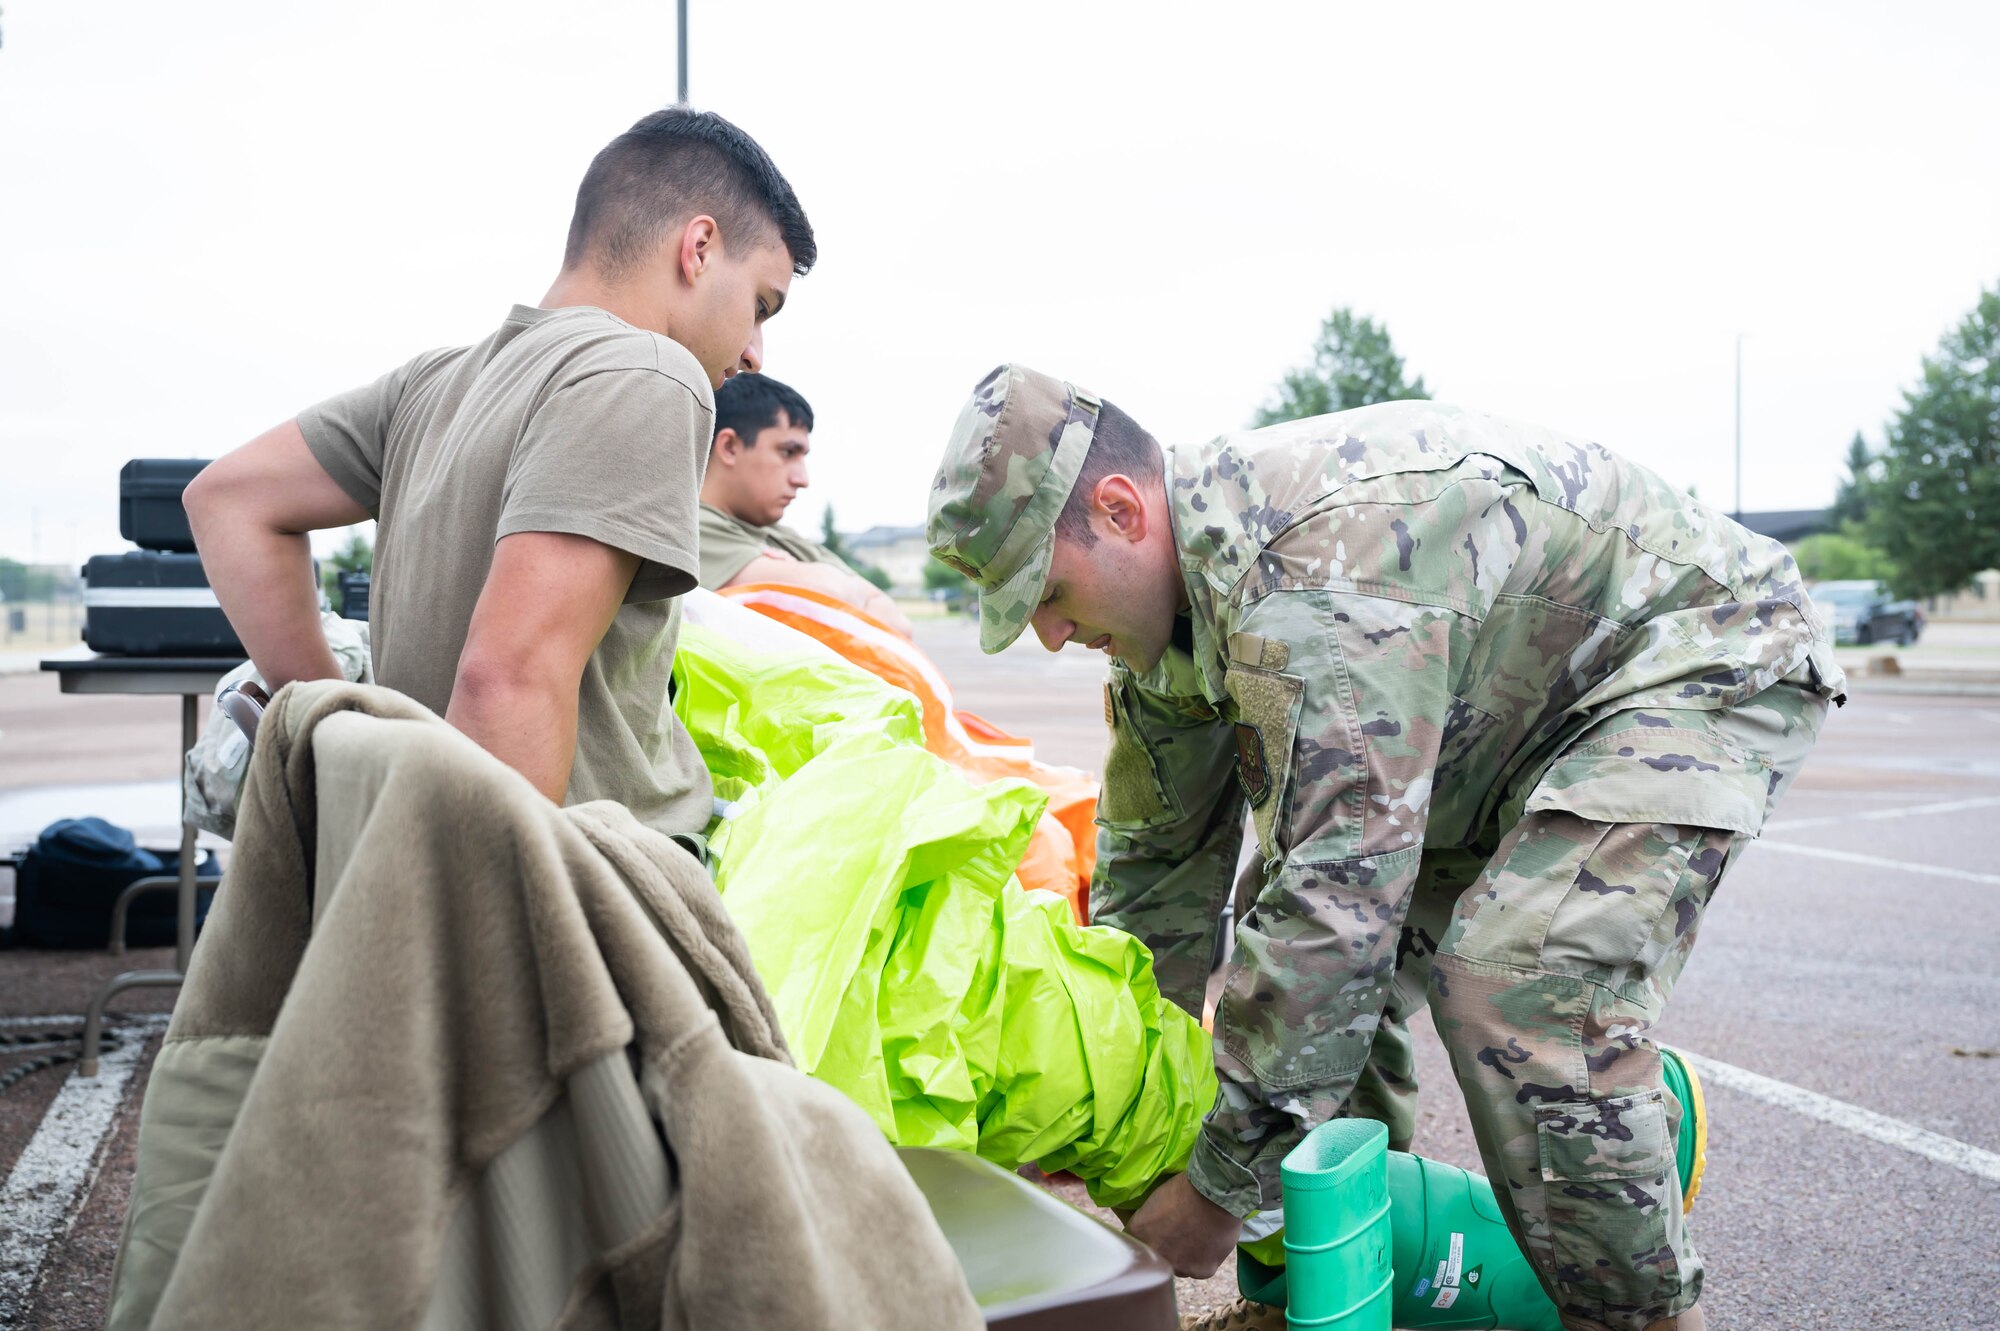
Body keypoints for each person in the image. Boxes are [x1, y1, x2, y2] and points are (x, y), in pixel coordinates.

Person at [925, 364, 1844, 1331]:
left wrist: (1214, 1191)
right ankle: (1328, 1297)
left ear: (1120, 511)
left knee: (1520, 980)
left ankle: (1643, 1319)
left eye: (1049, 590)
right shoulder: (1165, 629)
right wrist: (1115, 1102)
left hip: (1697, 654)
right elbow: (1152, 881)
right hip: (1507, 713)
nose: (1052, 633)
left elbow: (1338, 909)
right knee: (1294, 1004)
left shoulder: (1312, 581)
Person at [185, 106, 814, 850]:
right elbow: (506, 680)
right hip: (585, 879)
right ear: (699, 248)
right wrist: (475, 932)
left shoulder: (434, 381)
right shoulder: (650, 373)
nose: (755, 351)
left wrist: (337, 729)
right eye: (760, 305)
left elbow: (231, 500)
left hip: (418, 843)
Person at [697, 372, 913, 635]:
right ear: (730, 447)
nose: (802, 479)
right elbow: (829, 592)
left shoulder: (783, 537)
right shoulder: (691, 528)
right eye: (787, 452)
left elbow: (898, 625)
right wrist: (851, 590)